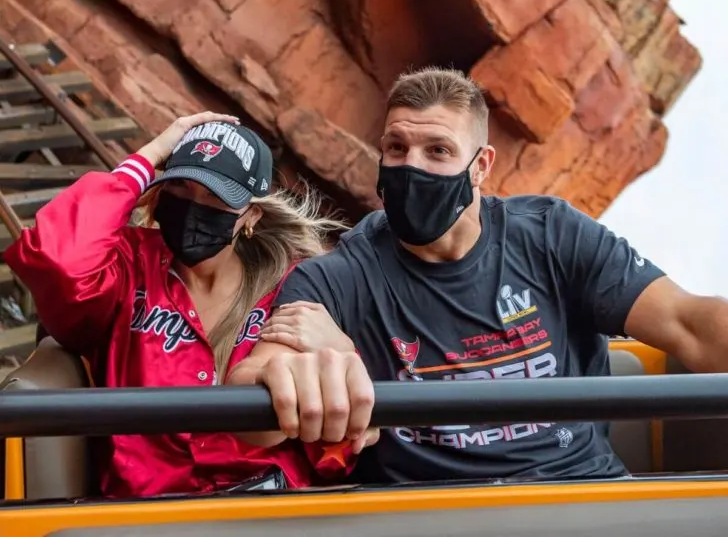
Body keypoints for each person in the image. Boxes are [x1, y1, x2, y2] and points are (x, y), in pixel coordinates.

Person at [230, 66, 728, 485]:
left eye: (438, 151)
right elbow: (253, 394)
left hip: (582, 492)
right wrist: (304, 374)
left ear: (480, 166)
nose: (411, 167)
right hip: (434, 512)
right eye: (397, 148)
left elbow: (689, 323)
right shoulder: (338, 279)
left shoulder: (551, 236)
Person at [4, 112, 366, 498]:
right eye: (179, 187)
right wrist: (149, 156)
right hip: (149, 514)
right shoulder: (127, 267)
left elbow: (335, 453)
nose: (194, 206)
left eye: (215, 196)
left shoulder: (294, 286)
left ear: (251, 217)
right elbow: (57, 259)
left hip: (264, 511)